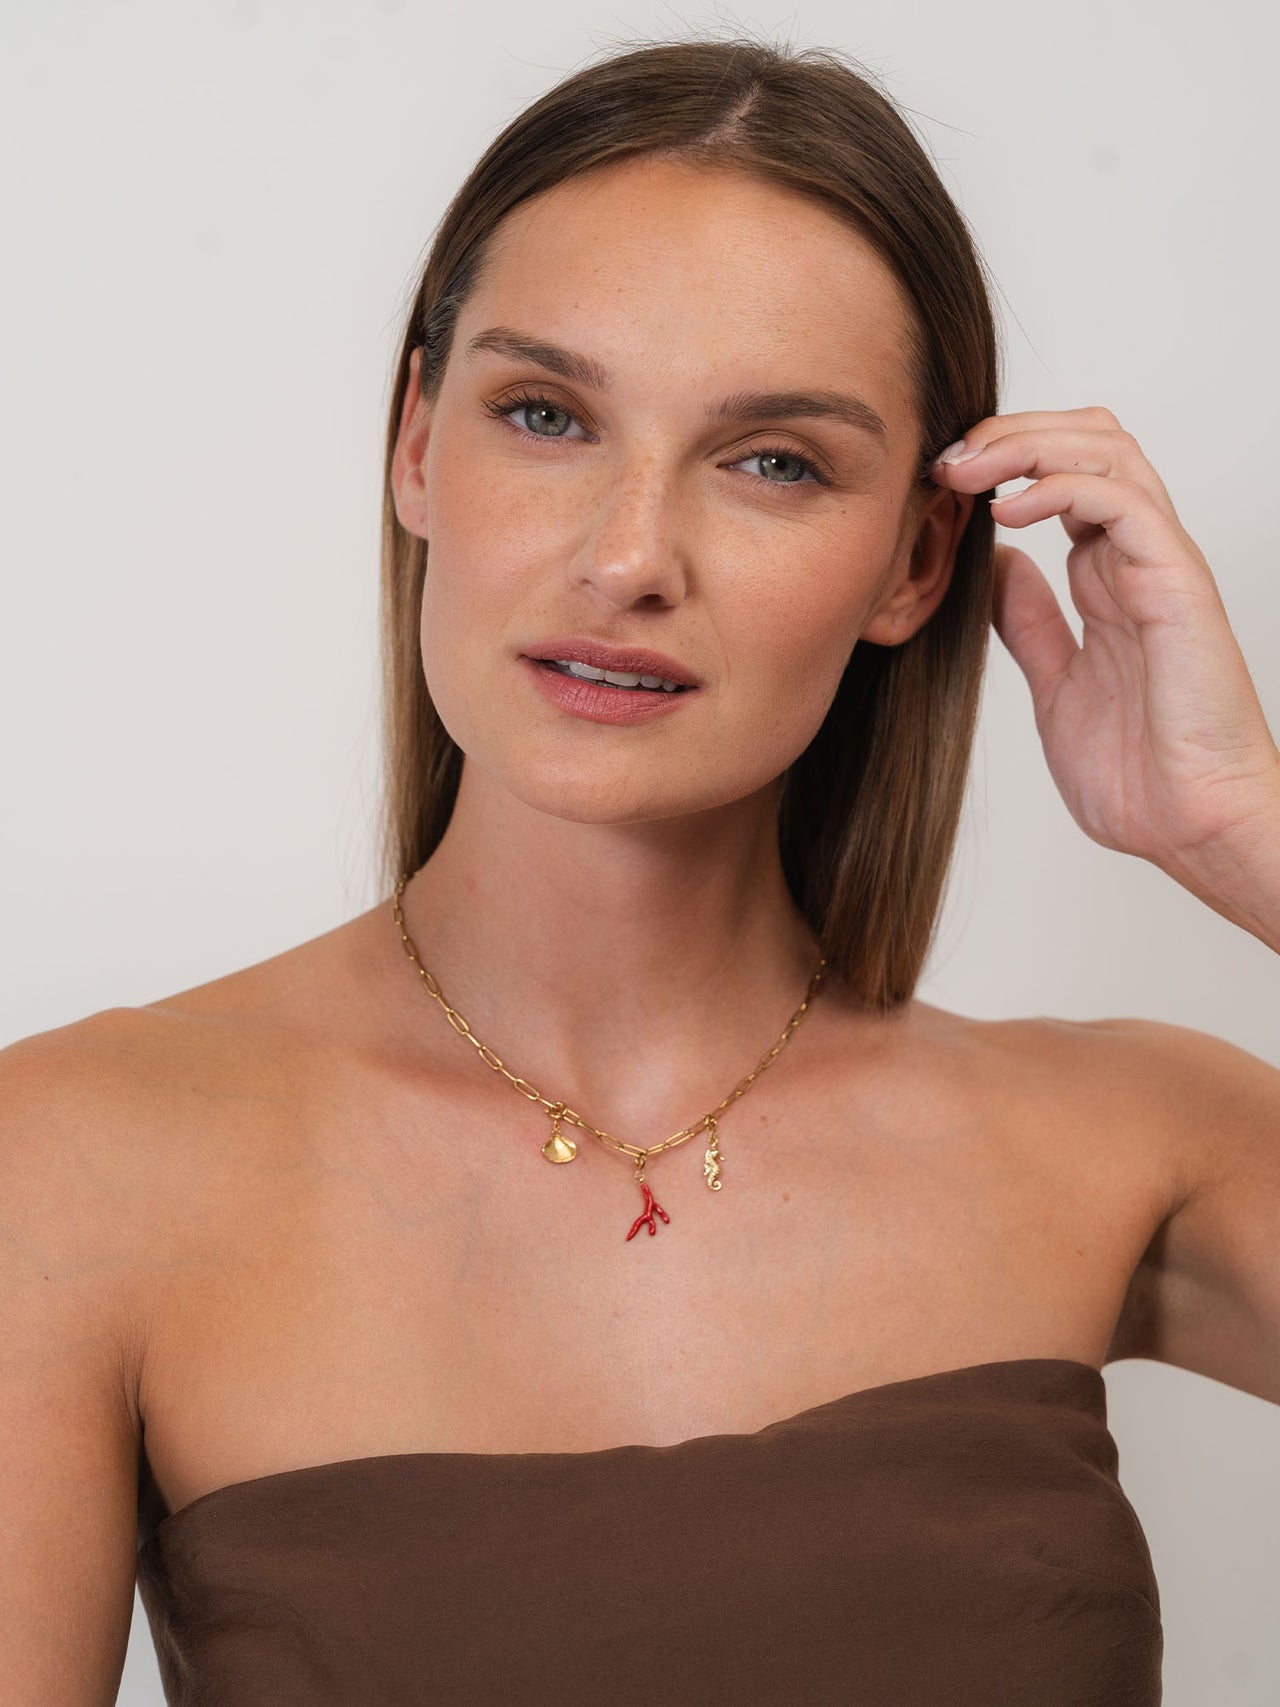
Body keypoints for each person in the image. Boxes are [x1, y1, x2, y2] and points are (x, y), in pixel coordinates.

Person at [2, 32, 1278, 1707]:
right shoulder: (71, 1166)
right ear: (416, 445)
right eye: (546, 415)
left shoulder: (1138, 1142)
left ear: (915, 560)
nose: (627, 558)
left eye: (773, 462)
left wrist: (1239, 831)